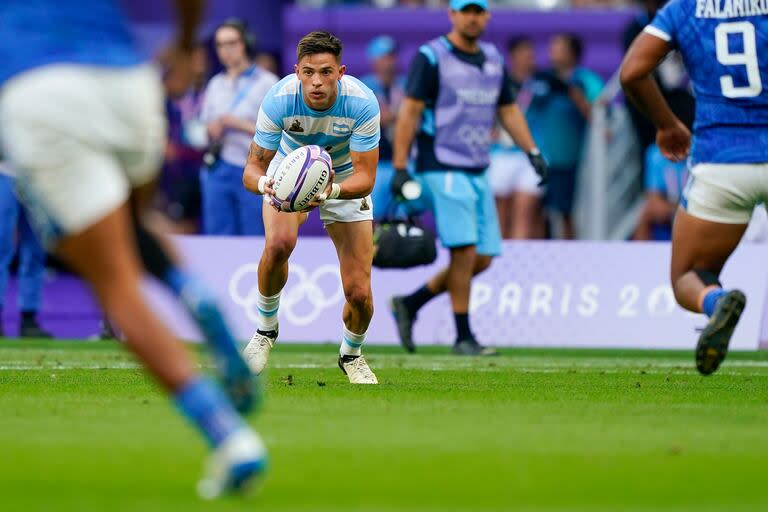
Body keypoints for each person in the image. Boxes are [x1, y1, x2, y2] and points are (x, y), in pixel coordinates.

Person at [0, 0, 266, 497]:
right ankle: (190, 290)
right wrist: (187, 45)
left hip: (40, 92)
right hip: (128, 86)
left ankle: (230, 438)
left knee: (114, 280)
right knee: (132, 224)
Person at [389, 0, 547, 355]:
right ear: (452, 15)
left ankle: (411, 303)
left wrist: (531, 151)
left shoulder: (493, 59)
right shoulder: (431, 57)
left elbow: (507, 109)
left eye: (478, 11)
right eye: (466, 10)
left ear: (487, 16)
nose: (472, 17)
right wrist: (400, 166)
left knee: (483, 257)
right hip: (440, 164)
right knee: (464, 251)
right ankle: (463, 336)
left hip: (477, 165)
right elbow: (409, 113)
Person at [620, 0, 768, 375]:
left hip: (720, 161)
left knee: (688, 275)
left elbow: (632, 72)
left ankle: (716, 302)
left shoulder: (683, 8)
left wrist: (667, 125)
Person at [241, 31, 381, 384]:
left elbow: (366, 178)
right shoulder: (279, 99)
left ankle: (351, 354)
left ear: (341, 72)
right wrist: (265, 184)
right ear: (297, 71)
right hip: (289, 169)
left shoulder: (362, 103)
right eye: (308, 72)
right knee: (277, 245)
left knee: (359, 294)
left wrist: (331, 190)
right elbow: (252, 170)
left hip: (343, 177)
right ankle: (265, 331)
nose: (316, 81)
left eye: (326, 72)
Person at [199, 19, 278, 236]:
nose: (225, 50)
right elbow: (202, 129)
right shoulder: (216, 83)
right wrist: (210, 130)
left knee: (253, 235)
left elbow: (279, 132)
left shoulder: (267, 82)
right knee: (217, 234)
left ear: (245, 43)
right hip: (218, 167)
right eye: (220, 45)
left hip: (253, 167)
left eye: (231, 43)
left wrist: (236, 124)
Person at [526, 33, 603, 240]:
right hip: (540, 157)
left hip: (571, 158)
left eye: (559, 47)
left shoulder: (585, 79)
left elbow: (600, 115)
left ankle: (569, 253)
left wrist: (573, 93)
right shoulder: (541, 80)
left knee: (565, 213)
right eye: (552, 46)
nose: (553, 51)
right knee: (536, 211)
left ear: (573, 52)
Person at [487, 37, 545, 240]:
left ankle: (520, 262)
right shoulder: (499, 82)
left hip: (528, 155)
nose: (530, 59)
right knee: (499, 212)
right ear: (512, 57)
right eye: (524, 54)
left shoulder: (544, 83)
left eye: (531, 54)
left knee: (525, 212)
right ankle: (500, 263)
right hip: (500, 154)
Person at [361, 35, 411, 221]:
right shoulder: (364, 86)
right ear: (374, 60)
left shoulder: (405, 85)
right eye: (384, 57)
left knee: (403, 215)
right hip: (374, 163)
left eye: (392, 56)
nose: (390, 62)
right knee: (369, 215)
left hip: (401, 162)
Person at [0, 161, 51, 338]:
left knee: (35, 249)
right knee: (1, 247)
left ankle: (29, 319)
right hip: (4, 173)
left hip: (36, 176)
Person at [632, 143, 688, 241]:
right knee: (646, 215)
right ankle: (640, 254)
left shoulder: (702, 155)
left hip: (695, 214)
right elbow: (655, 203)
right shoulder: (657, 154)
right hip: (676, 213)